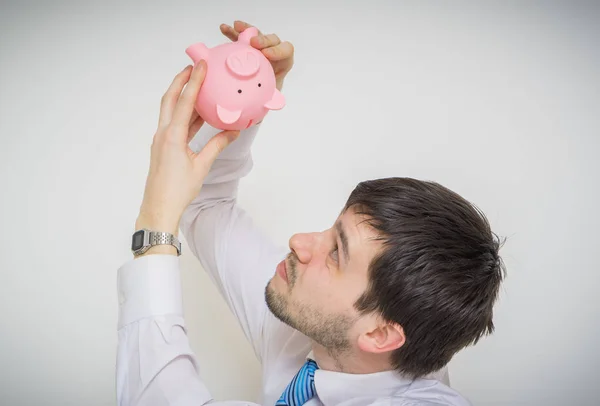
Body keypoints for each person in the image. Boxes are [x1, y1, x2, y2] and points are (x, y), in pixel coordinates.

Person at [116, 20, 505, 406]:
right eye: (331, 231)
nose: (299, 242)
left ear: (380, 335)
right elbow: (207, 204)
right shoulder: (314, 323)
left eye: (337, 253)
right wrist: (241, 107)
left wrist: (154, 223)